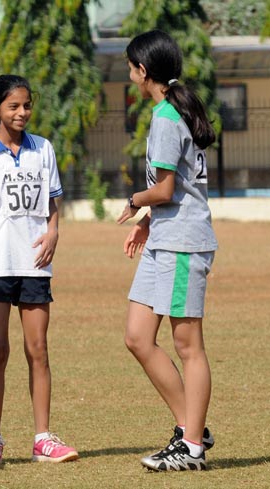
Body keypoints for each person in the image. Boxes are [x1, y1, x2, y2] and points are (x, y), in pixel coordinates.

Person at [0, 74, 78, 465]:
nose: (22, 112)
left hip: (34, 265)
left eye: (27, 105)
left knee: (38, 349)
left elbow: (53, 205)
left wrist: (54, 233)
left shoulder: (42, 149)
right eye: (13, 106)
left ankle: (43, 438)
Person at [117, 30, 218, 471]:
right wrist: (145, 224)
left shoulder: (164, 117)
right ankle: (190, 427)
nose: (128, 74)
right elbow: (170, 192)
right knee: (138, 336)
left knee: (187, 345)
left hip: (182, 243)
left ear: (143, 71)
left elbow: (165, 188)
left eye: (130, 67)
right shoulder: (169, 111)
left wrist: (136, 203)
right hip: (164, 238)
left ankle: (191, 446)